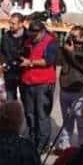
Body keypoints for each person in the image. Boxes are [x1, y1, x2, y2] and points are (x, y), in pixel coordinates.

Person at [19, 20, 58, 151]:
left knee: (42, 115)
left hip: (43, 83)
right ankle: (31, 138)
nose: (32, 37)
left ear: (42, 32)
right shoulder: (28, 39)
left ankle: (43, 143)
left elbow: (49, 61)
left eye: (35, 35)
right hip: (28, 81)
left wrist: (30, 63)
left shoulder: (50, 41)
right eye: (31, 34)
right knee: (30, 113)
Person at [56, 26, 83, 150]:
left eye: (75, 37)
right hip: (65, 89)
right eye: (70, 36)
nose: (72, 39)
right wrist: (62, 49)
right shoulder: (66, 47)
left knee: (82, 120)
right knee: (67, 120)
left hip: (82, 92)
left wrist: (71, 53)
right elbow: (58, 61)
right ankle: (64, 146)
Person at [0, 13, 27, 101]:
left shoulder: (28, 36)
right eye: (10, 23)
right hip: (9, 72)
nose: (10, 25)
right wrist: (3, 63)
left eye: (13, 24)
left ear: (21, 24)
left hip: (23, 72)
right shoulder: (6, 36)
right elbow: (2, 51)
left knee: (26, 99)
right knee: (10, 100)